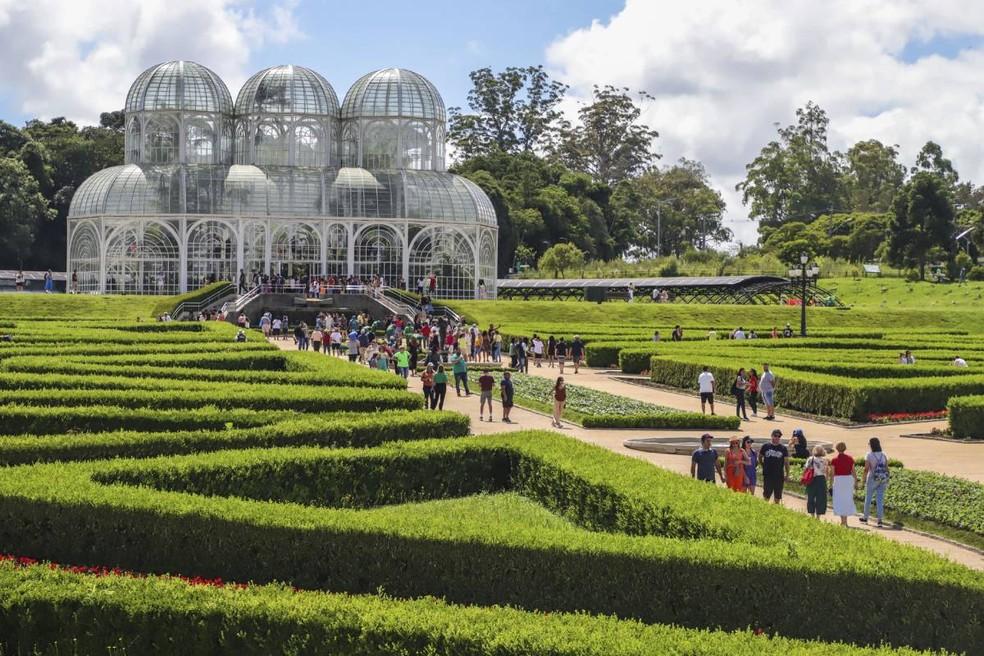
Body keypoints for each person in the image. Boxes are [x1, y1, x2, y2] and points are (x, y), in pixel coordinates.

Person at [861, 437, 890, 527]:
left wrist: (863, 480)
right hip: (882, 478)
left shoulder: (869, 455)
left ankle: (865, 517)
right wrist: (887, 478)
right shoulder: (883, 454)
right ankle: (880, 520)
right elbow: (886, 468)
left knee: (868, 498)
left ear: (871, 445)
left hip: (872, 478)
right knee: (880, 499)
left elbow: (866, 469)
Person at [830, 442, 858, 526]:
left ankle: (842, 521)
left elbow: (832, 473)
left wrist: (830, 484)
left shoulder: (834, 460)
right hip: (848, 480)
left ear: (837, 449)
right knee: (847, 499)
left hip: (838, 480)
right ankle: (845, 521)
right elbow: (853, 471)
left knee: (839, 500)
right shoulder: (850, 458)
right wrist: (856, 481)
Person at [759, 429, 789, 504]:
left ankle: (775, 511)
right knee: (766, 495)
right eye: (775, 436)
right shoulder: (765, 446)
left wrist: (787, 474)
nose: (777, 437)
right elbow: (760, 457)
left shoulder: (783, 448)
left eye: (779, 436)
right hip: (768, 475)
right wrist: (763, 465)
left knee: (777, 496)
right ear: (772, 436)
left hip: (779, 476)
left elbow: (786, 462)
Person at [803, 445, 828, 518]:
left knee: (811, 497)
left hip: (811, 479)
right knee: (821, 498)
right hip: (821, 480)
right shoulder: (825, 460)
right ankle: (818, 516)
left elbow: (805, 469)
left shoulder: (810, 459)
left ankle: (812, 515)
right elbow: (826, 471)